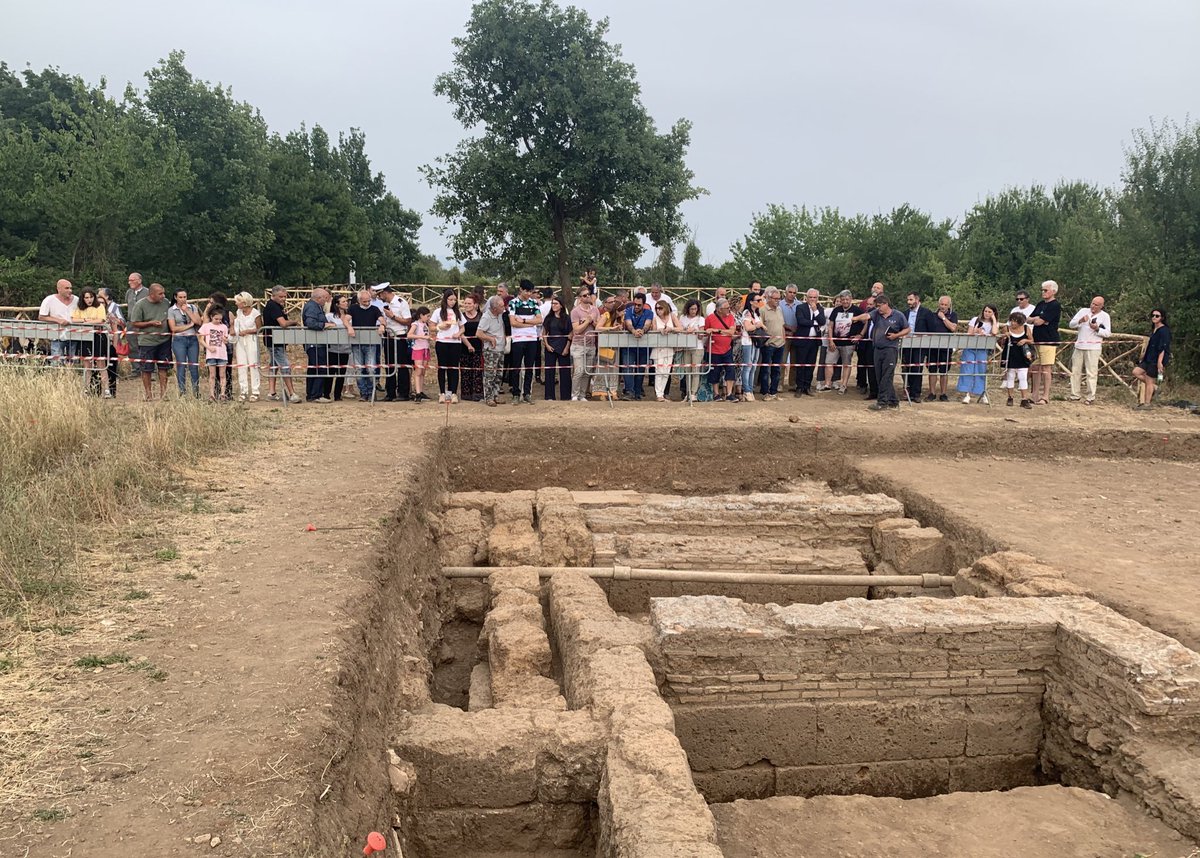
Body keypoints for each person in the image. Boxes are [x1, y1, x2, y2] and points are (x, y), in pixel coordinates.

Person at [852, 294, 909, 411]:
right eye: (877, 306)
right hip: (877, 349)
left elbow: (907, 329)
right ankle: (893, 400)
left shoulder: (898, 315)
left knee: (886, 376)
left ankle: (882, 402)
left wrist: (896, 335)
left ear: (886, 304)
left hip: (890, 350)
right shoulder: (876, 313)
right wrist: (856, 318)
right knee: (880, 376)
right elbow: (867, 316)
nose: (878, 308)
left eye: (879, 306)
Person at [130, 282, 171, 400]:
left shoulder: (166, 302)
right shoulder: (140, 305)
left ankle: (163, 393)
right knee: (146, 369)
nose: (163, 296)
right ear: (152, 294)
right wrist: (150, 323)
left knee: (163, 367)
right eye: (160, 294)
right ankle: (148, 394)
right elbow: (134, 323)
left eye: (163, 293)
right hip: (147, 342)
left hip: (164, 340)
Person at [261, 286, 301, 403]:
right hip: (275, 341)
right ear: (273, 295)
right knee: (285, 366)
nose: (283, 299)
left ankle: (271, 392)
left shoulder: (275, 306)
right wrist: (294, 322)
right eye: (280, 296)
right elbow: (283, 323)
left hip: (276, 341)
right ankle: (292, 393)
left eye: (285, 296)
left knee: (273, 365)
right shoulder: (273, 306)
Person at [1068, 296, 1110, 405]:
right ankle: (1075, 395)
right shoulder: (1083, 311)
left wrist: (1097, 328)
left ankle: (1090, 397)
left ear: (1101, 306)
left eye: (1096, 305)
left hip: (1093, 348)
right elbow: (1071, 324)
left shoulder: (1105, 316)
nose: (1093, 306)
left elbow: (1108, 333)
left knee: (1091, 373)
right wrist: (1080, 320)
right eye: (1092, 303)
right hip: (1079, 345)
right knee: (1075, 371)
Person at [374, 283, 412, 402]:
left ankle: (403, 392)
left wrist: (393, 316)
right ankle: (390, 393)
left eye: (380, 294)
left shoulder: (401, 303)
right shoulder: (384, 304)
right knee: (389, 365)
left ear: (385, 293)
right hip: (388, 336)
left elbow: (408, 321)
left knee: (401, 365)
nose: (379, 297)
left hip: (399, 336)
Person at [899, 292, 939, 403]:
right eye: (908, 300)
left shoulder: (926, 313)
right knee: (906, 367)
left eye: (911, 300)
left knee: (917, 368)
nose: (909, 302)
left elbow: (932, 330)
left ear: (917, 300)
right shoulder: (905, 313)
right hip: (906, 344)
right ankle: (907, 391)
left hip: (920, 345)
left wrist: (922, 336)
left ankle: (916, 393)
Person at [1027, 280, 1062, 405]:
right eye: (1042, 290)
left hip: (1048, 341)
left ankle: (1045, 396)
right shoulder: (1041, 304)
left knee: (1046, 367)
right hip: (1037, 340)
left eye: (1046, 290)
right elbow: (1029, 319)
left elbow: (1039, 322)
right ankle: (1035, 395)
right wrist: (1037, 319)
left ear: (1053, 291)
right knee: (1036, 367)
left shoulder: (1055, 305)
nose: (1043, 292)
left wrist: (1038, 320)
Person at [507, 280, 541, 404]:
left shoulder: (534, 303)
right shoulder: (513, 303)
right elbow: (513, 322)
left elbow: (539, 320)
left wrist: (524, 321)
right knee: (516, 367)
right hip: (518, 339)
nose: (529, 294)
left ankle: (527, 393)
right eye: (527, 291)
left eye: (531, 291)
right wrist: (530, 323)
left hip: (532, 338)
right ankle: (516, 394)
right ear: (521, 289)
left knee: (529, 367)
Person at [348, 288, 385, 402]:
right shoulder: (353, 308)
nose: (367, 303)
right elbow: (346, 319)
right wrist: (349, 327)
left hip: (370, 343)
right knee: (359, 369)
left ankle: (371, 392)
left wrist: (382, 325)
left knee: (371, 369)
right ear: (359, 300)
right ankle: (363, 393)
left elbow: (382, 319)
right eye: (364, 301)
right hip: (357, 343)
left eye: (369, 301)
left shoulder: (374, 309)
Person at [958, 305, 999, 405]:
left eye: (989, 312)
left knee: (981, 370)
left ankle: (981, 392)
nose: (987, 313)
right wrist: (976, 331)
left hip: (982, 349)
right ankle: (967, 394)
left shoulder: (994, 323)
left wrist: (994, 320)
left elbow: (994, 332)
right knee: (968, 369)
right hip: (970, 348)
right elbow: (969, 333)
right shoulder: (975, 320)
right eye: (985, 311)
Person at [429, 289, 463, 403]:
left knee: (454, 368)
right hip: (442, 342)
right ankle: (442, 393)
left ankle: (453, 393)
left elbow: (463, 327)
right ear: (445, 299)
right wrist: (440, 327)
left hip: (455, 343)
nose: (452, 302)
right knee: (442, 367)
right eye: (450, 299)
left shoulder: (458, 312)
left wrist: (458, 333)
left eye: (454, 300)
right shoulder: (438, 312)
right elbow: (431, 327)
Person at [1132, 309, 1171, 408]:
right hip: (1149, 357)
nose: (1154, 317)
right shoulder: (1154, 328)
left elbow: (1163, 347)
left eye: (1157, 316)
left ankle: (1147, 404)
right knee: (1136, 372)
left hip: (1157, 359)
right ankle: (1155, 388)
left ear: (1162, 318)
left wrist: (1159, 362)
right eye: (1153, 315)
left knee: (1149, 380)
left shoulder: (1164, 330)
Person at [167, 288, 202, 398]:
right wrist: (189, 325)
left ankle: (196, 392)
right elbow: (173, 328)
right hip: (179, 340)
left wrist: (188, 311)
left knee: (194, 366)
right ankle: (182, 392)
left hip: (192, 339)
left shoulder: (192, 307)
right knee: (181, 365)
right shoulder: (171, 310)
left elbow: (198, 322)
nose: (183, 299)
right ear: (175, 298)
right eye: (180, 297)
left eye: (185, 297)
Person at [823, 290, 859, 395]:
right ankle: (827, 384)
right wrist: (830, 340)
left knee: (846, 364)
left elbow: (865, 322)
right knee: (829, 362)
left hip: (848, 344)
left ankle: (844, 385)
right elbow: (830, 326)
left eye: (847, 299)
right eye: (843, 299)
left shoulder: (857, 310)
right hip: (834, 342)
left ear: (851, 299)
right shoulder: (836, 310)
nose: (845, 301)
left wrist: (860, 335)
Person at [71, 287, 107, 394]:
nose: (89, 300)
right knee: (87, 364)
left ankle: (106, 388)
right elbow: (73, 319)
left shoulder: (99, 306)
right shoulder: (79, 308)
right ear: (83, 299)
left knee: (101, 362)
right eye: (86, 298)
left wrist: (86, 322)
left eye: (91, 297)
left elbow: (101, 320)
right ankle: (86, 388)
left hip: (97, 336)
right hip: (84, 337)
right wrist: (86, 320)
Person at [228, 292, 262, 402]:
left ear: (244, 302)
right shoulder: (239, 312)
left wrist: (247, 331)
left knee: (253, 365)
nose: (236, 303)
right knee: (241, 365)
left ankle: (255, 391)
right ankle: (244, 390)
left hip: (251, 340)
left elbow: (259, 328)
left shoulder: (255, 313)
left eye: (238, 301)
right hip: (240, 340)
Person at [925, 295, 959, 401]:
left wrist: (943, 318)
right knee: (932, 370)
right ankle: (932, 393)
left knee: (944, 371)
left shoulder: (953, 315)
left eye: (945, 305)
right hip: (932, 347)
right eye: (941, 304)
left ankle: (943, 394)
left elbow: (953, 328)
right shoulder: (932, 315)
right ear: (938, 304)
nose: (943, 306)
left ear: (949, 305)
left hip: (945, 347)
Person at [569, 288, 600, 402]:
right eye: (584, 295)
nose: (587, 296)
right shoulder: (575, 311)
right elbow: (576, 330)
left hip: (591, 345)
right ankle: (574, 394)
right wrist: (587, 321)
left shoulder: (595, 310)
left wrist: (593, 322)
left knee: (587, 371)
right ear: (579, 298)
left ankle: (582, 395)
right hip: (579, 345)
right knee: (579, 371)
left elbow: (598, 326)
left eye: (588, 294)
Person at [37, 279, 78, 365]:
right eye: (67, 288)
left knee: (73, 362)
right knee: (56, 361)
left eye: (71, 288)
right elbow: (42, 316)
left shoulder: (76, 300)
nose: (70, 290)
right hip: (57, 336)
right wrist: (58, 320)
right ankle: (57, 373)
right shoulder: (49, 300)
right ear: (59, 289)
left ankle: (71, 373)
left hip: (74, 335)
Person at [705, 297, 739, 402]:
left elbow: (731, 332)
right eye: (727, 308)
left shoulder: (730, 317)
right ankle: (716, 394)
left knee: (730, 370)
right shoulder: (710, 318)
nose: (729, 309)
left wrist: (717, 330)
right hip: (714, 349)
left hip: (727, 349)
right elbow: (707, 331)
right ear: (719, 309)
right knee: (715, 371)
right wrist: (723, 331)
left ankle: (729, 393)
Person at [999, 312, 1035, 409]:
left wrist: (1025, 340)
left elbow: (1032, 340)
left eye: (1015, 321)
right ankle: (1010, 397)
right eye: (1011, 320)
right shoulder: (1006, 328)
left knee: (1022, 376)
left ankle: (1024, 399)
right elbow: (1001, 341)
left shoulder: (1026, 328)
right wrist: (1004, 336)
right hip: (1010, 354)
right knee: (1010, 376)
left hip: (1022, 355)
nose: (1013, 323)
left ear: (1021, 322)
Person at [621, 292, 653, 401]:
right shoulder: (628, 311)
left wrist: (643, 330)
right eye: (635, 304)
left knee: (640, 370)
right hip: (629, 345)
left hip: (644, 346)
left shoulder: (649, 312)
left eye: (639, 305)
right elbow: (628, 323)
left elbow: (648, 324)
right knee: (627, 368)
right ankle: (629, 391)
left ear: (644, 304)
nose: (636, 306)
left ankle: (637, 392)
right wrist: (634, 331)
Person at [301, 287, 331, 403]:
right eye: (325, 298)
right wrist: (324, 325)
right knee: (320, 368)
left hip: (317, 343)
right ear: (319, 298)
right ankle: (315, 395)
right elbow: (310, 323)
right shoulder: (312, 307)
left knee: (314, 369)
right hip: (315, 344)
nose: (326, 300)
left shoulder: (314, 306)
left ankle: (312, 394)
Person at [541, 293, 573, 400]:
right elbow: (544, 333)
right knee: (549, 372)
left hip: (563, 347)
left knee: (565, 372)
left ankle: (566, 396)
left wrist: (567, 347)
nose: (553, 305)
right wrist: (547, 345)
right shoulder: (548, 318)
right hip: (550, 347)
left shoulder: (567, 318)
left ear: (561, 305)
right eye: (552, 303)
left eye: (556, 303)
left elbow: (570, 333)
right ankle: (549, 396)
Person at [794, 289, 826, 396]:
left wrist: (815, 310)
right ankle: (799, 387)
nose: (812, 299)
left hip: (814, 341)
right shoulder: (800, 307)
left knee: (811, 365)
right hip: (803, 340)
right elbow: (801, 321)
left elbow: (822, 321)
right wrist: (815, 323)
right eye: (810, 297)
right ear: (807, 298)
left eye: (814, 297)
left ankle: (807, 387)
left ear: (817, 298)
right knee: (801, 364)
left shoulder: (820, 309)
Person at [757, 287, 786, 400]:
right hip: (768, 345)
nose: (778, 301)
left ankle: (773, 392)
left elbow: (782, 325)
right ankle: (765, 392)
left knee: (776, 369)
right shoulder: (762, 310)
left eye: (779, 298)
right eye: (775, 299)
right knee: (766, 370)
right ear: (769, 298)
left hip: (780, 344)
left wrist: (783, 338)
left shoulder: (779, 310)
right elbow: (760, 327)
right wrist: (765, 342)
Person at [478, 296, 507, 407]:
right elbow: (479, 333)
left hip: (500, 349)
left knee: (499, 374)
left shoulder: (500, 315)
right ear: (495, 308)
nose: (504, 308)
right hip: (491, 350)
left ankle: (495, 395)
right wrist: (490, 339)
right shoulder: (486, 317)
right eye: (501, 306)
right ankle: (488, 397)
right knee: (490, 374)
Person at [675, 299, 706, 402]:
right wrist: (685, 330)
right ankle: (688, 393)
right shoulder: (682, 318)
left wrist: (695, 330)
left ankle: (693, 393)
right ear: (687, 309)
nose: (693, 311)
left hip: (697, 347)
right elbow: (679, 331)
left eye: (695, 309)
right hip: (686, 347)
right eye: (692, 309)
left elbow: (701, 335)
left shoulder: (701, 319)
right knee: (687, 371)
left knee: (695, 371)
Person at [856, 282, 885, 392]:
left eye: (878, 288)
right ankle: (862, 383)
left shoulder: (884, 307)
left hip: (877, 341)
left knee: (873, 364)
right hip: (864, 339)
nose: (875, 289)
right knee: (862, 362)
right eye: (874, 287)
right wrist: (860, 334)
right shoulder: (864, 303)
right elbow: (864, 322)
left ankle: (876, 388)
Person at [206, 292, 236, 399]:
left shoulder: (228, 314)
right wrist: (207, 310)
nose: (209, 304)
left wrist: (228, 335)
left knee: (226, 371)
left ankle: (227, 393)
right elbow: (204, 324)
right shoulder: (209, 315)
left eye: (211, 302)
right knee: (213, 372)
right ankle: (215, 392)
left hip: (225, 347)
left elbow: (232, 328)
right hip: (212, 348)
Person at [648, 299, 678, 402]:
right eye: (656, 308)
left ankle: (662, 393)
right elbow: (653, 331)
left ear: (665, 308)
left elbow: (680, 328)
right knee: (659, 371)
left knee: (666, 372)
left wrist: (671, 329)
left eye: (660, 308)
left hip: (669, 347)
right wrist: (658, 330)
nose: (658, 310)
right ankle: (659, 394)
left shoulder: (672, 316)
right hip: (658, 348)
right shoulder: (655, 319)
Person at [198, 306, 230, 402]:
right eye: (216, 319)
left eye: (220, 319)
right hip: (211, 354)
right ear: (211, 317)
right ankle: (211, 394)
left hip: (222, 354)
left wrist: (225, 340)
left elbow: (226, 340)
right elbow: (201, 339)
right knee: (212, 375)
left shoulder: (224, 327)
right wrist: (208, 347)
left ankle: (222, 394)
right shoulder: (206, 326)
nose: (218, 321)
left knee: (222, 375)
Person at [325, 294, 353, 401]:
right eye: (343, 301)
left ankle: (338, 395)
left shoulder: (349, 316)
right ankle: (326, 393)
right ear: (337, 304)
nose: (346, 303)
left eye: (346, 301)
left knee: (341, 373)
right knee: (331, 372)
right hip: (333, 348)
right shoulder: (330, 316)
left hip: (345, 348)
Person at [595, 295, 623, 400]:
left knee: (614, 369)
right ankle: (602, 392)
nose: (613, 303)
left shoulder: (620, 318)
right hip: (605, 345)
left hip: (615, 345)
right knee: (603, 368)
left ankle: (613, 391)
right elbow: (598, 328)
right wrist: (611, 328)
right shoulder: (606, 315)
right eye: (610, 302)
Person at [97, 288, 123, 398]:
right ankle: (96, 390)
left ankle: (112, 391)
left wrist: (115, 345)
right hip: (97, 343)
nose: (100, 305)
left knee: (111, 367)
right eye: (98, 303)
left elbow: (116, 330)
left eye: (102, 302)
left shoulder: (111, 314)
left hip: (110, 342)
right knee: (98, 366)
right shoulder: (94, 315)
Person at [459, 293, 484, 402]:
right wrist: (468, 345)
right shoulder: (461, 316)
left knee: (477, 371)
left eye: (469, 303)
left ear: (475, 305)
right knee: (465, 371)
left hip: (479, 347)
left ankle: (477, 393)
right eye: (465, 303)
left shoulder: (481, 316)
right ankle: (466, 394)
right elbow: (460, 332)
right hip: (464, 347)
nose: (467, 305)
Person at [407, 307, 432, 401]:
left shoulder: (426, 324)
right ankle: (417, 393)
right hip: (418, 349)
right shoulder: (415, 324)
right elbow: (409, 335)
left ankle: (421, 391)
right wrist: (422, 337)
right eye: (427, 316)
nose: (428, 318)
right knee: (418, 371)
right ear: (421, 315)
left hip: (426, 349)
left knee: (423, 372)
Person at [780, 284, 801, 391]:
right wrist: (788, 328)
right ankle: (779, 384)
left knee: (795, 361)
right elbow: (778, 321)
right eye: (790, 292)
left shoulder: (800, 305)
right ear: (785, 292)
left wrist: (795, 330)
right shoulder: (779, 305)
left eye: (794, 293)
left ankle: (792, 384)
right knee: (782, 361)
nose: (792, 294)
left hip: (796, 336)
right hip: (783, 336)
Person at [124, 272, 148, 352]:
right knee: (132, 347)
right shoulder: (129, 292)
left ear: (139, 281)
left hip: (143, 325)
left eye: (132, 280)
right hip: (131, 324)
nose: (129, 282)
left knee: (144, 347)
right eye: (129, 280)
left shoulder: (147, 293)